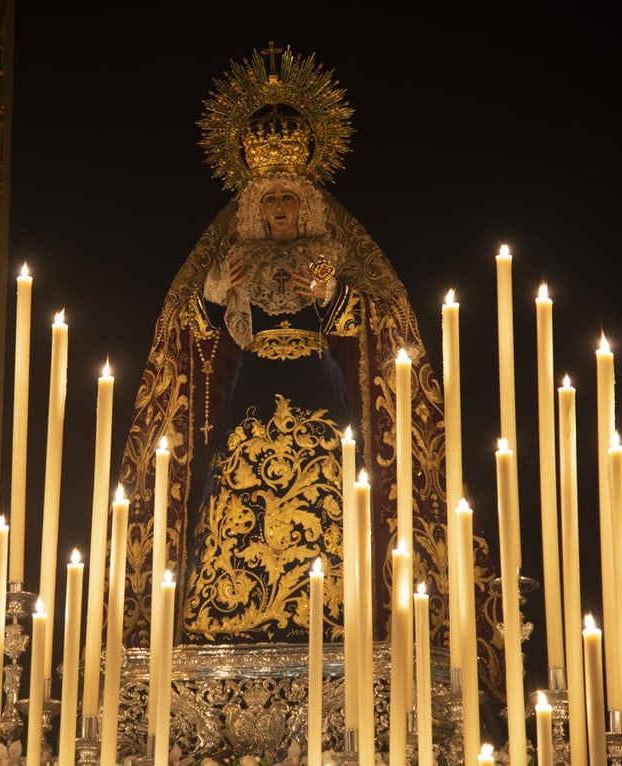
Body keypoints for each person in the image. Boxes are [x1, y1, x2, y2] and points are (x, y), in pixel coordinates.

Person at [115, 45, 451, 648]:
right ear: (254, 206)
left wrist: (328, 295)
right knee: (237, 479)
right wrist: (214, 295)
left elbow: (373, 331)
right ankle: (236, 620)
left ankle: (336, 615)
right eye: (268, 199)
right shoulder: (233, 259)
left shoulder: (336, 256)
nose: (278, 210)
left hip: (320, 387)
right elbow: (193, 341)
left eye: (288, 198)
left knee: (328, 479)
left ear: (307, 203)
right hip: (252, 389)